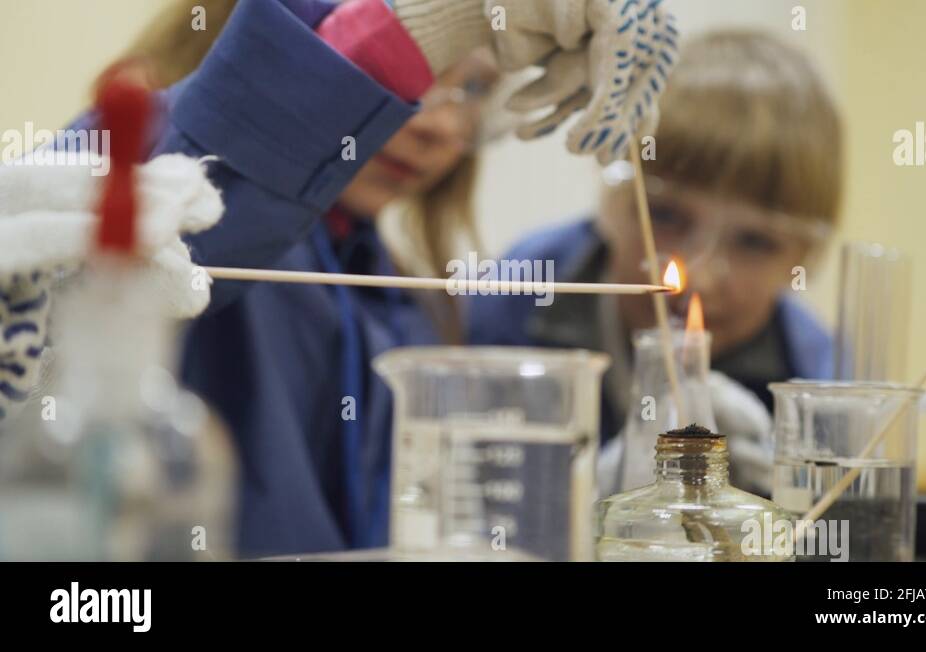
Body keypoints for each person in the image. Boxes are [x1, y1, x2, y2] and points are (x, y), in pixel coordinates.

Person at [0, 0, 681, 557]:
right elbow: (99, 224)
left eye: (473, 88)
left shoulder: (409, 302)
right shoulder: (206, 222)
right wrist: (392, 39)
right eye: (424, 84)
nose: (438, 123)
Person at [468, 31, 843, 488]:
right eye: (666, 215)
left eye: (754, 242)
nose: (699, 276)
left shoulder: (820, 385)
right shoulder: (517, 300)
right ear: (612, 198)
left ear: (804, 256)